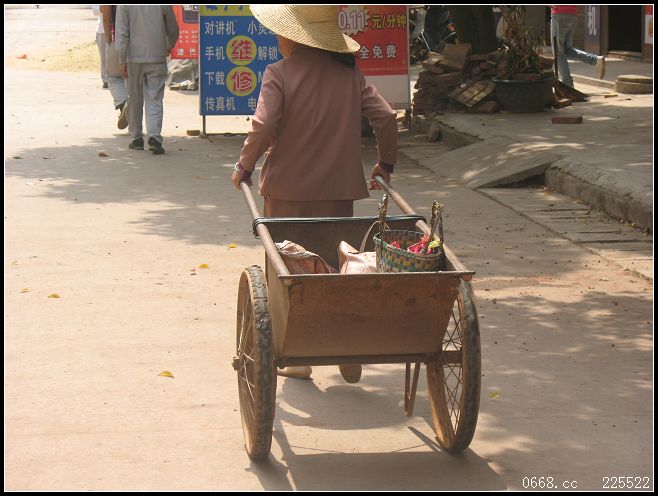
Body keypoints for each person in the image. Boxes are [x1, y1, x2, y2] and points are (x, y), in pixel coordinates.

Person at [230, 5, 398, 382]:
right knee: (336, 269)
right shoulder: (349, 74)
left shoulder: (279, 73)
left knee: (286, 271)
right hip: (338, 193)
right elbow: (386, 117)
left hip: (286, 192)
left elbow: (264, 124)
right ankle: (345, 347)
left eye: (280, 32)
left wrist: (244, 165)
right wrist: (385, 163)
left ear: (292, 37)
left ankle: (298, 359)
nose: (277, 38)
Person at [115, 5, 179, 154]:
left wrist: (121, 59)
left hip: (133, 58)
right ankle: (154, 136)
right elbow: (174, 30)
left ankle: (136, 138)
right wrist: (167, 45)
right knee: (155, 97)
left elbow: (122, 32)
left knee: (134, 98)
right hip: (157, 56)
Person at [551, 5, 605, 88]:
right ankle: (595, 60)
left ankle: (568, 85)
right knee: (566, 50)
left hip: (559, 13)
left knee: (558, 52)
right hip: (572, 15)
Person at [100, 5, 129, 130]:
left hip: (118, 41)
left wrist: (108, 40)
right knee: (137, 81)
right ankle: (136, 129)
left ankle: (123, 103)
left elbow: (106, 17)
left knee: (114, 77)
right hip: (141, 45)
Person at [91, 5, 108, 89]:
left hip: (115, 30)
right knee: (104, 57)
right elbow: (95, 11)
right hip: (101, 31)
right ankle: (105, 80)